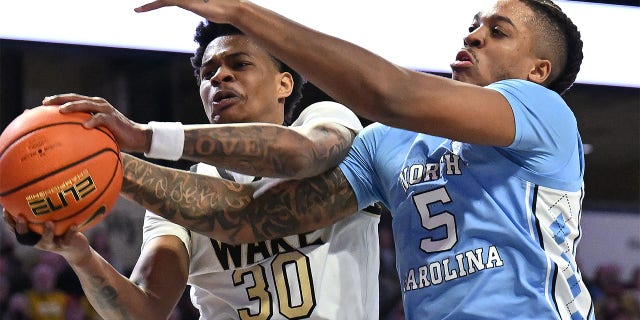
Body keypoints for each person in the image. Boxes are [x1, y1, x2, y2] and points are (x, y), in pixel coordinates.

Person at [110, 0, 595, 319]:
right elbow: (253, 215)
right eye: (473, 26)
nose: (473, 36)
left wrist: (241, 11)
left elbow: (393, 93)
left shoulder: (542, 110)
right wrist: (111, 162)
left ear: (539, 71)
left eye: (498, 31)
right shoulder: (389, 140)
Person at [5, 21, 381, 319]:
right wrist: (80, 256)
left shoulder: (327, 120)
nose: (218, 77)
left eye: (240, 64)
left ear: (284, 83)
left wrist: (144, 137)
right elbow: (145, 310)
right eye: (207, 72)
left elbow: (300, 155)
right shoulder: (173, 193)